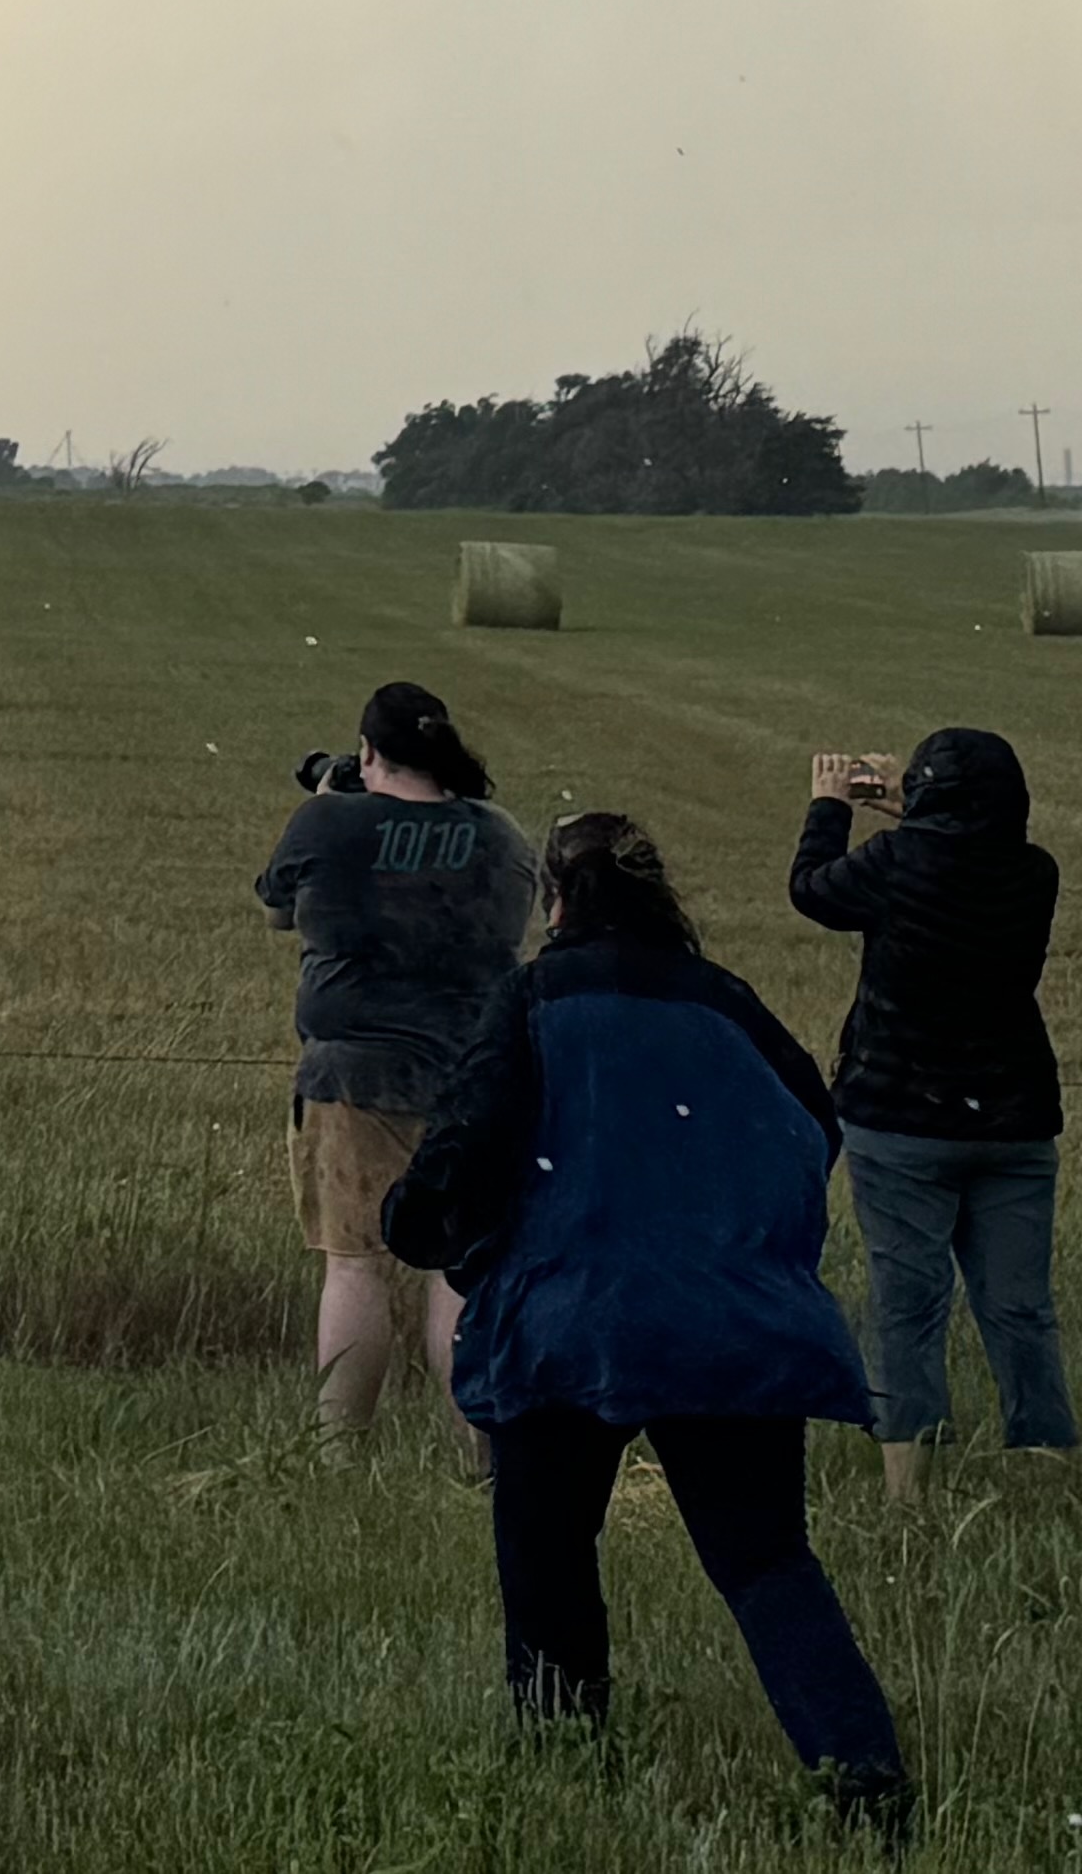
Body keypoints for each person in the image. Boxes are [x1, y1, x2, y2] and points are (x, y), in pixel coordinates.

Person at [385, 810, 907, 1845]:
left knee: (547, 1552)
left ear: (557, 902)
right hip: (731, 1318)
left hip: (572, 1319)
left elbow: (470, 1145)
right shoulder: (727, 1000)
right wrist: (741, 1235)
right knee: (766, 1562)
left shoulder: (533, 997)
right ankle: (866, 1783)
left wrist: (421, 1224)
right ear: (657, 895)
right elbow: (813, 1122)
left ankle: (566, 1766)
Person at [251, 676, 533, 1466]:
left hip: (355, 1075)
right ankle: (480, 1457)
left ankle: (339, 1455)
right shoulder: (500, 832)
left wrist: (332, 804)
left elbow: (276, 908)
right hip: (474, 1074)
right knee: (456, 1270)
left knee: (356, 1267)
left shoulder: (329, 821)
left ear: (368, 750)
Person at [787, 725, 1067, 1503]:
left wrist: (830, 806)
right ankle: (1046, 1469)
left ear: (926, 795)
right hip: (1014, 1119)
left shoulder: (893, 862)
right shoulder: (1035, 873)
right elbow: (963, 851)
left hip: (901, 1117)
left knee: (905, 1307)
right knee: (1019, 1307)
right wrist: (911, 808)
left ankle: (907, 1490)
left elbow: (812, 890)